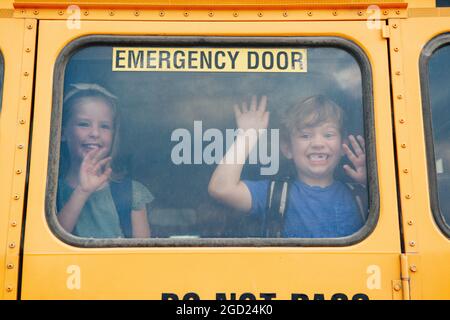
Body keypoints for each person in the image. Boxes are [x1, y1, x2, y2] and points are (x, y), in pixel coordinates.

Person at [208, 95, 367, 238]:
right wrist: (247, 135)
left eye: (328, 135)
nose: (318, 144)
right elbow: (221, 189)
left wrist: (371, 182)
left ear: (343, 145)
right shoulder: (273, 195)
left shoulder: (360, 195)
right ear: (287, 148)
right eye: (305, 135)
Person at [57, 83, 153, 238]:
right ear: (62, 133)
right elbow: (49, 241)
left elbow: (141, 254)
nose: (95, 133)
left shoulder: (130, 192)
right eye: (84, 124)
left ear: (114, 135)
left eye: (105, 126)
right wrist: (82, 192)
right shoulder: (49, 192)